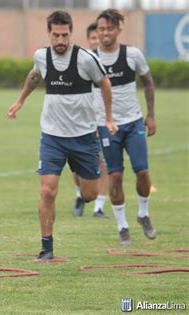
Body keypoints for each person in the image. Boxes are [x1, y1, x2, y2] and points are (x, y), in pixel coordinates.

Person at [7, 11, 117, 260]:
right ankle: (47, 248)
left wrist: (108, 118)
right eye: (55, 35)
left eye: (65, 35)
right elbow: (34, 76)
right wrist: (20, 101)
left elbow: (105, 84)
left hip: (84, 136)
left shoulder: (86, 59)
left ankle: (78, 173)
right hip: (52, 137)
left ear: (71, 33)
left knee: (89, 195)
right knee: (47, 191)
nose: (60, 40)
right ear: (49, 33)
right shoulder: (41, 56)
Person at [94, 9, 157, 246]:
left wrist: (150, 116)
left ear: (119, 29)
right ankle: (122, 227)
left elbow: (148, 83)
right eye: (101, 29)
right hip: (106, 126)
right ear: (97, 31)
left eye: (110, 28)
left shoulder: (132, 54)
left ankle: (143, 213)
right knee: (116, 176)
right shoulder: (91, 59)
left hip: (133, 122)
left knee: (142, 172)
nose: (105, 33)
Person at [71, 22, 110, 219]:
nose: (98, 41)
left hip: (104, 121)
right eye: (93, 38)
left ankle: (99, 207)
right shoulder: (83, 60)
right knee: (77, 164)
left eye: (100, 37)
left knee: (104, 163)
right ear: (89, 40)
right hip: (83, 121)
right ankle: (79, 195)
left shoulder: (109, 61)